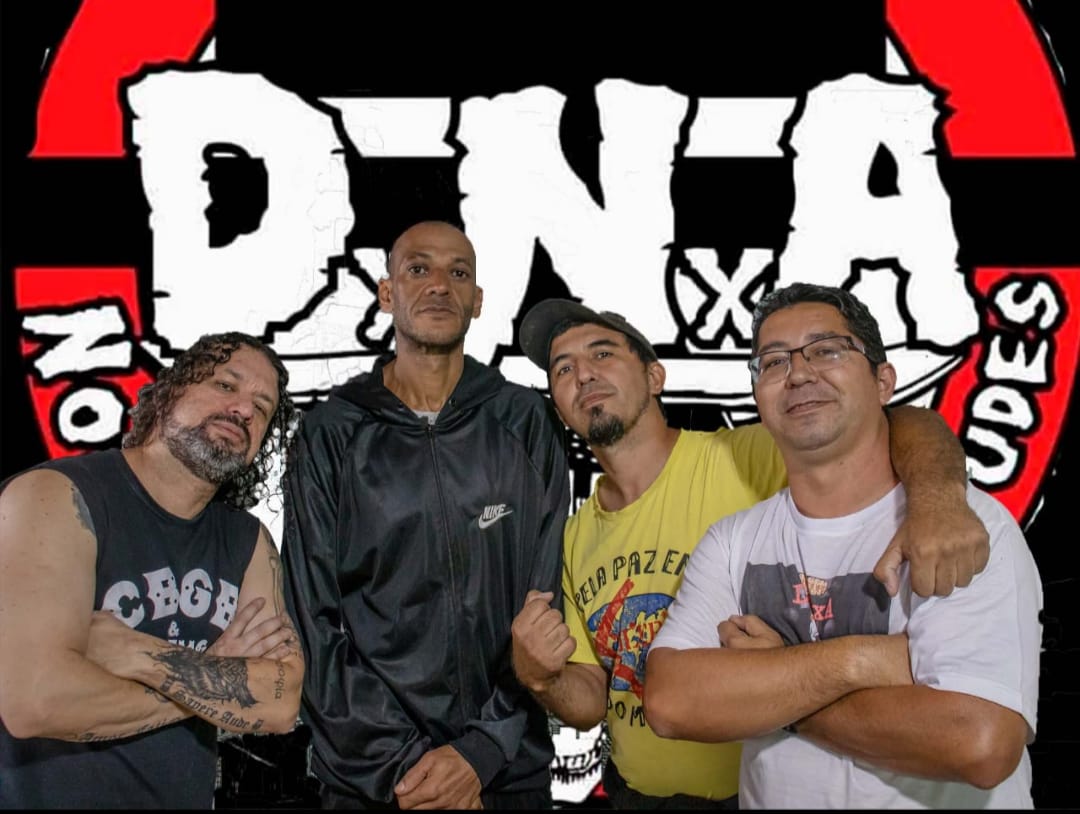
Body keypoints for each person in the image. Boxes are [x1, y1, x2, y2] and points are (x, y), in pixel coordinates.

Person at [510, 296, 992, 808]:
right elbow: (590, 698)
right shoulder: (575, 536)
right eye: (563, 369)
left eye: (603, 353)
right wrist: (543, 679)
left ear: (655, 377)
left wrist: (937, 498)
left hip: (759, 791)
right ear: (557, 404)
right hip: (637, 795)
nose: (584, 374)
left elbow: (891, 423)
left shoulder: (743, 456)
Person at [645, 283, 1041, 808]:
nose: (798, 373)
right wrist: (858, 663)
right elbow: (671, 701)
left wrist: (774, 682)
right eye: (773, 362)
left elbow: (979, 743)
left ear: (883, 381)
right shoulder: (732, 541)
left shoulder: (959, 529)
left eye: (827, 350)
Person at [281, 220, 570, 810]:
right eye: (418, 269)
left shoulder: (523, 420)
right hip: (375, 783)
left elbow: (546, 605)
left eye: (458, 272)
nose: (439, 284)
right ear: (387, 293)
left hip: (505, 773)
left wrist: (481, 750)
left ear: (478, 300)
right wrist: (405, 767)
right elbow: (313, 619)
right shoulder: (330, 432)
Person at [0, 332, 306, 809]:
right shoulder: (54, 496)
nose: (244, 409)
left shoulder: (248, 541)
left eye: (262, 408)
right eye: (226, 386)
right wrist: (216, 673)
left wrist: (137, 652)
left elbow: (280, 703)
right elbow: (34, 702)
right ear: (170, 392)